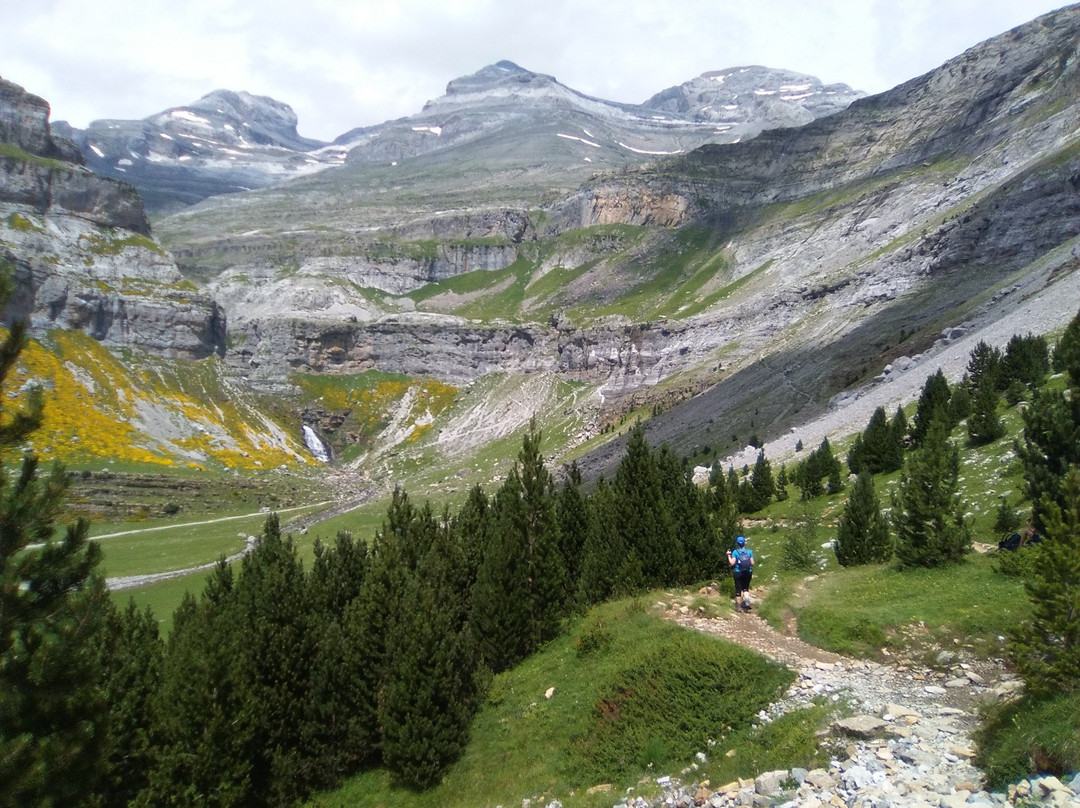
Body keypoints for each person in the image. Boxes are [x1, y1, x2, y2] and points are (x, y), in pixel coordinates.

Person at [727, 535, 755, 612]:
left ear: (737, 543)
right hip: (748, 572)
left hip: (738, 572)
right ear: (744, 543)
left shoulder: (735, 552)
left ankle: (738, 607)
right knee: (746, 588)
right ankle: (747, 601)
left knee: (738, 589)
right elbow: (752, 563)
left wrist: (728, 555)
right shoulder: (749, 551)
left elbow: (732, 563)